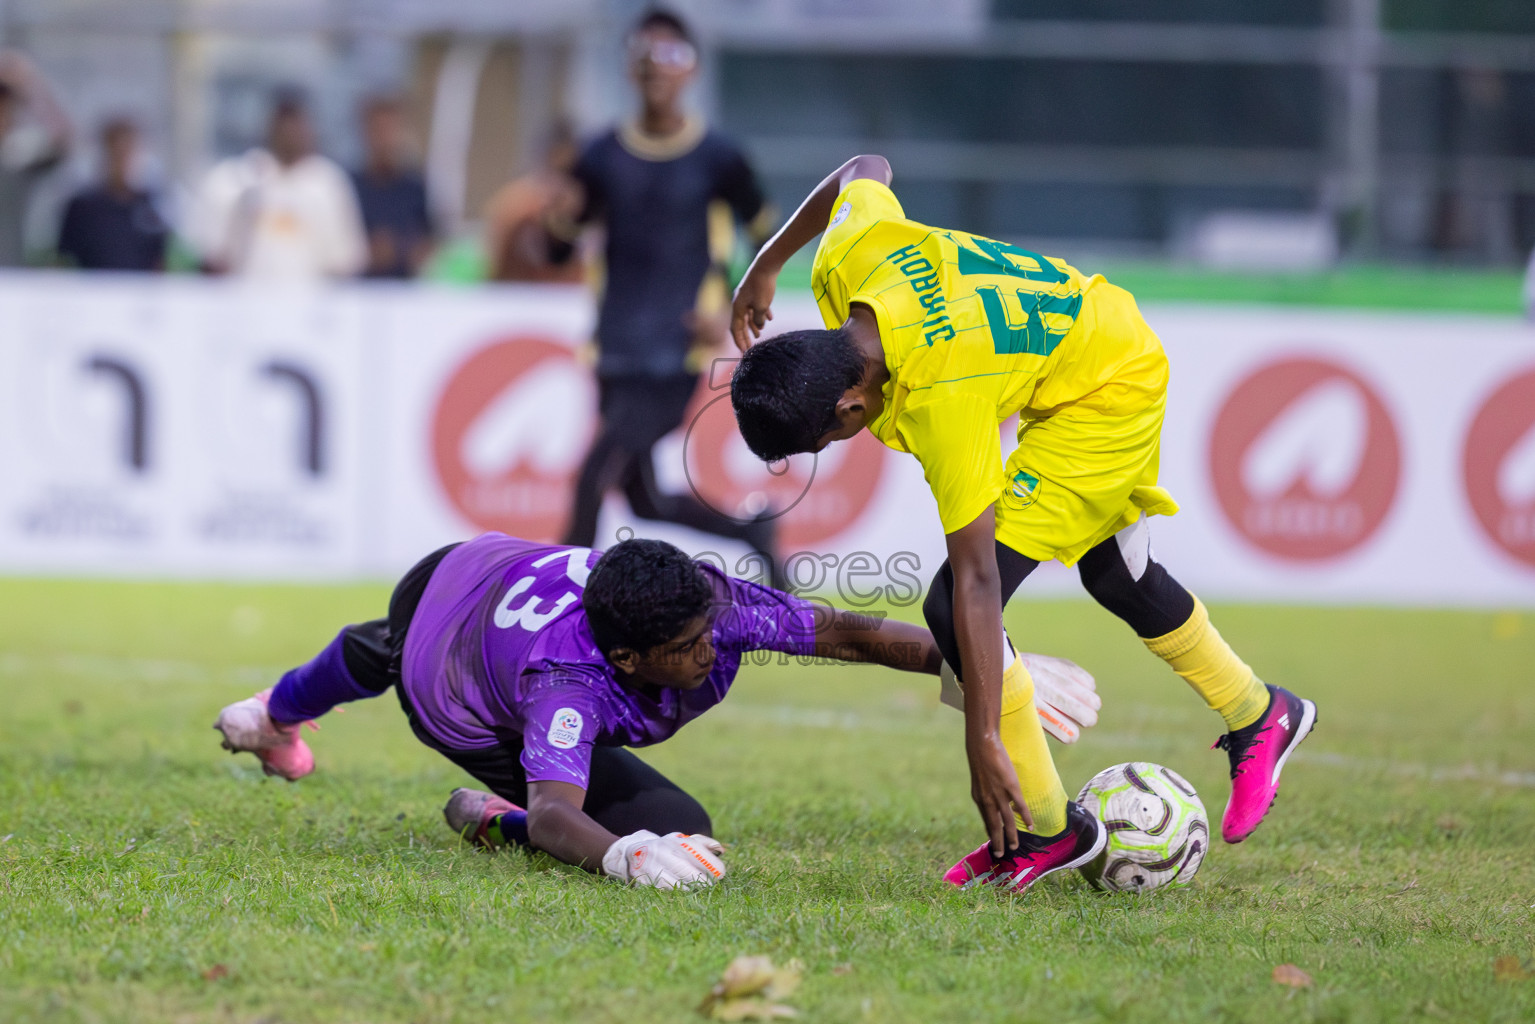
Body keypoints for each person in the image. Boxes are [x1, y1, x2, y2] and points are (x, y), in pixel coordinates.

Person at [727, 155, 1319, 894]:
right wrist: (764, 262)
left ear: (848, 408)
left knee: (948, 602)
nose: (835, 446)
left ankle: (1046, 827)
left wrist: (982, 740)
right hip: (1090, 339)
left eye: (822, 443)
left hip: (1105, 393)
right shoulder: (846, 260)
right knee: (1117, 577)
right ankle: (1260, 712)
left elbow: (976, 583)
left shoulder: (944, 392)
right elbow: (862, 169)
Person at [212, 533, 1100, 888]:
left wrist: (994, 668)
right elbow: (560, 809)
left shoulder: (707, 606)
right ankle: (482, 814)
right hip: (457, 690)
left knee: (374, 641)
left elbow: (852, 633)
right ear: (629, 661)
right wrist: (621, 858)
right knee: (678, 830)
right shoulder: (568, 682)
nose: (712, 652)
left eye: (710, 632)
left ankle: (270, 716)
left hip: (483, 567)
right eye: (687, 651)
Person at [553, 9, 781, 580]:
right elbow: (559, 247)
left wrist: (728, 304)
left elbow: (767, 239)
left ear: (692, 69)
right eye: (645, 53)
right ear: (630, 67)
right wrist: (556, 225)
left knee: (592, 474)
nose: (657, 66)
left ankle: (557, 595)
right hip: (615, 346)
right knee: (643, 500)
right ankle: (752, 530)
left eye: (671, 54)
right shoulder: (600, 156)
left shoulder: (719, 158)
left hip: (674, 349)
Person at [191, 91, 366, 281]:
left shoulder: (328, 183)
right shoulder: (240, 178)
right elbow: (213, 255)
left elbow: (346, 261)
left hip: (311, 303)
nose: (290, 134)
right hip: (247, 301)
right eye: (283, 125)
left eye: (296, 125)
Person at [56, 117, 167, 271]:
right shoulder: (82, 207)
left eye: (129, 152)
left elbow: (161, 259)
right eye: (117, 153)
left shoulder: (152, 203)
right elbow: (63, 261)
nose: (123, 162)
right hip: (92, 292)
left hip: (140, 292)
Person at [482, 121, 584, 284]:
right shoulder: (513, 205)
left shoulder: (583, 204)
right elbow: (493, 269)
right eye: (553, 172)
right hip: (521, 295)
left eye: (567, 173)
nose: (557, 185)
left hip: (568, 298)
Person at [0, 50, 71, 267]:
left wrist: (32, 85)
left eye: (6, 110)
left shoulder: (19, 161)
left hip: (10, 276)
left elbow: (64, 139)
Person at [351, 95, 434, 279]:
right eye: (378, 130)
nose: (385, 139)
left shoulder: (415, 188)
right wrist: (366, 253)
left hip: (406, 292)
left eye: (391, 130)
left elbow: (431, 241)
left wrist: (406, 251)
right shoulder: (348, 187)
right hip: (358, 292)